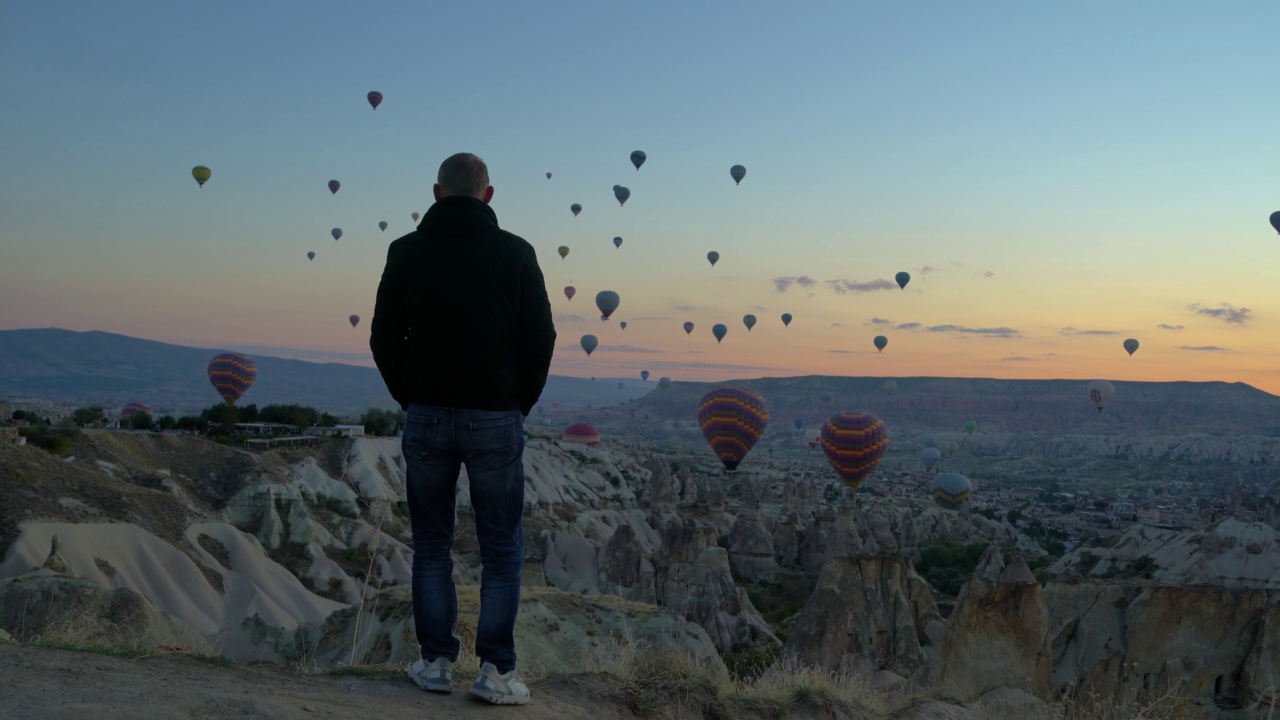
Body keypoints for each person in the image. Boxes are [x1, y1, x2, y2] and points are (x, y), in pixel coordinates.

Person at [370, 153, 556, 705]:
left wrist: (411, 395)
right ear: (488, 195)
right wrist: (514, 402)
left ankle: (434, 664)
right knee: (500, 549)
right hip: (495, 417)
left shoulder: (405, 251)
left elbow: (383, 336)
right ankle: (496, 673)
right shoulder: (516, 252)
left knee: (431, 544)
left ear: (435, 192)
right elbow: (540, 338)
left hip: (426, 414)